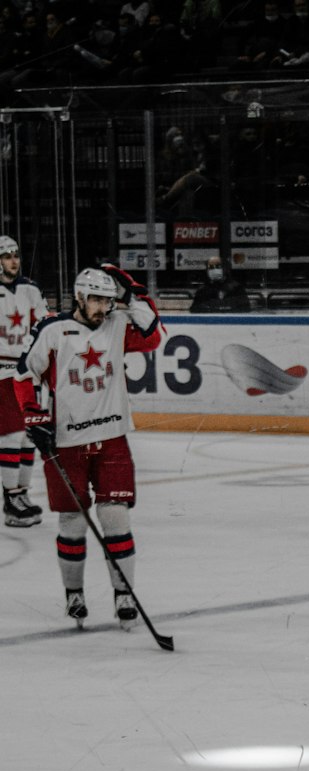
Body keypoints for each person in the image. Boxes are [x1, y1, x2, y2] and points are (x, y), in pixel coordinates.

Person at [15, 265, 162, 627]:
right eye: (97, 299)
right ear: (79, 297)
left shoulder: (117, 325)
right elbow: (23, 374)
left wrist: (130, 296)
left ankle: (123, 593)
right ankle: (74, 594)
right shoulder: (53, 331)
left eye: (108, 301)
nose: (103, 308)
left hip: (111, 438)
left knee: (116, 517)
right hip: (66, 443)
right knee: (72, 523)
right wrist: (33, 417)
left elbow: (153, 334)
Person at [0, 235, 47, 528]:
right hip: (1, 371)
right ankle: (10, 499)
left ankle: (23, 495)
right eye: (6, 256)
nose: (13, 261)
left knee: (30, 434)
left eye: (15, 255)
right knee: (10, 435)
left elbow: (43, 325)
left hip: (26, 371)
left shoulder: (30, 289)